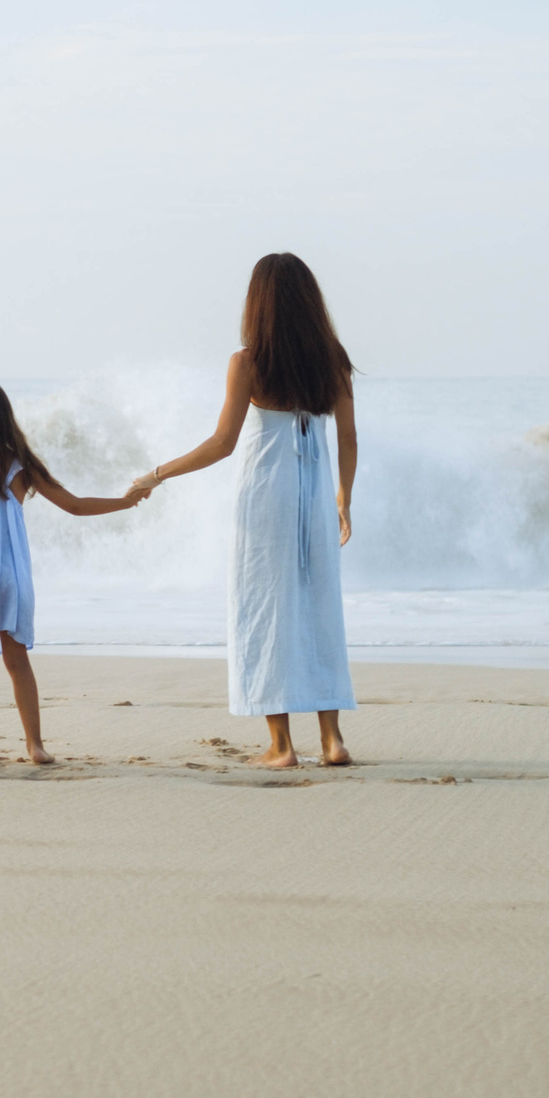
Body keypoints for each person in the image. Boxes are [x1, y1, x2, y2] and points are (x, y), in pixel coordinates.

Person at [132, 253, 357, 769]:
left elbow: (222, 443)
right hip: (315, 492)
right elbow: (348, 437)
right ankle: (332, 740)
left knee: (263, 607)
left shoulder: (249, 361)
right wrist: (344, 497)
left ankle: (281, 746)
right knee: (320, 609)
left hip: (266, 495)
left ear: (259, 303)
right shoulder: (334, 360)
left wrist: (157, 474)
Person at [0, 382, 147, 766]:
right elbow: (76, 506)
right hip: (9, 575)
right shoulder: (22, 466)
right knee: (17, 662)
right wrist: (124, 501)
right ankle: (35, 745)